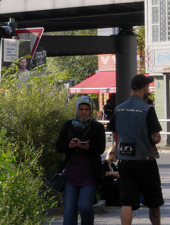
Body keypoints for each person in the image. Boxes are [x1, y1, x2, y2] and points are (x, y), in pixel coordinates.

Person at [106, 74, 163, 225]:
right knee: (153, 200)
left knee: (126, 201)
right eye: (148, 86)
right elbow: (156, 138)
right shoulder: (147, 109)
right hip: (145, 160)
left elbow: (113, 130)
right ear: (145, 87)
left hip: (125, 161)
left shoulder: (118, 109)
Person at [56, 95, 107, 225]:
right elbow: (59, 146)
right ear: (77, 109)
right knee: (69, 209)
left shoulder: (97, 127)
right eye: (81, 109)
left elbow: (101, 149)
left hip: (89, 174)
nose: (83, 112)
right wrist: (70, 145)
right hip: (71, 174)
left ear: (90, 110)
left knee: (84, 206)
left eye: (86, 109)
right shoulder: (68, 125)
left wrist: (88, 147)